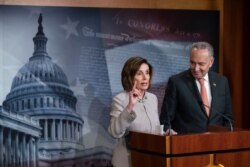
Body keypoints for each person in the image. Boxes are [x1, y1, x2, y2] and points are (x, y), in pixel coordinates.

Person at [160, 41, 233, 134]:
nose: (196, 68)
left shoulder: (222, 82)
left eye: (201, 64)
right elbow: (165, 121)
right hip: (187, 144)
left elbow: (228, 119)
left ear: (211, 62)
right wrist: (169, 131)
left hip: (217, 144)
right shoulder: (176, 82)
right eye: (192, 63)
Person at [108, 56, 160, 167]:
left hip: (150, 160)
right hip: (128, 161)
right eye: (139, 73)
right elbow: (114, 132)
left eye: (147, 72)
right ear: (130, 76)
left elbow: (152, 130)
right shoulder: (119, 99)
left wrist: (164, 134)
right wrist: (130, 105)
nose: (145, 77)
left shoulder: (153, 98)